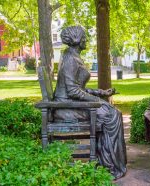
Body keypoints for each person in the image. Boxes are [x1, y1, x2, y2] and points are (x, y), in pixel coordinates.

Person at [53, 26, 127, 179]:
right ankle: (109, 165)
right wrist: (96, 101)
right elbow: (73, 91)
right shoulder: (70, 59)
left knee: (112, 112)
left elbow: (79, 88)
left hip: (72, 103)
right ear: (76, 40)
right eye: (84, 37)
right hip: (66, 107)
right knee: (111, 116)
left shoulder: (72, 56)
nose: (86, 39)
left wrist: (101, 93)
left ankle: (107, 161)